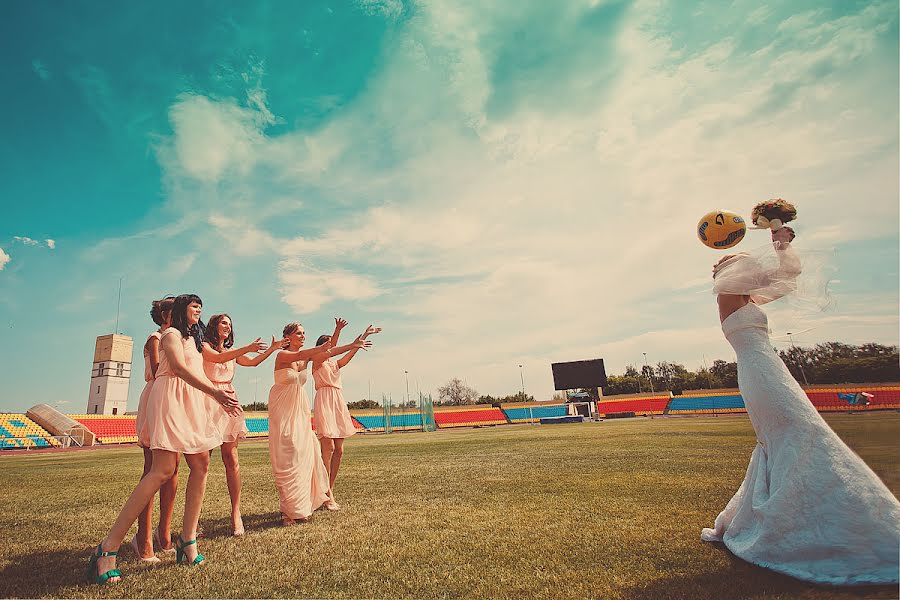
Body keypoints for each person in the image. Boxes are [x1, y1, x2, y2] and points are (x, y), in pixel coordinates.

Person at [703, 226, 900, 585]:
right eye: (742, 265)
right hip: (760, 371)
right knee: (798, 432)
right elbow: (779, 275)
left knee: (795, 434)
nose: (749, 268)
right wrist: (775, 243)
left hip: (768, 368)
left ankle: (785, 515)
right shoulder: (728, 293)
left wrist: (782, 242)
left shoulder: (745, 298)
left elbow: (786, 279)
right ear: (734, 274)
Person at [86, 294, 240, 583]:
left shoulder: (194, 341)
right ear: (182, 310)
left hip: (192, 401)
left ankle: (188, 540)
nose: (199, 310)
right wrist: (215, 393)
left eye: (201, 307)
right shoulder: (169, 334)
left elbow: (198, 371)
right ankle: (107, 549)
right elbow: (179, 369)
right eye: (194, 305)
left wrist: (221, 397)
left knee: (202, 465)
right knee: (162, 471)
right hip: (170, 399)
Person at [268, 319, 369, 524]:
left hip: (300, 411)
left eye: (304, 333)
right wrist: (324, 346)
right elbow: (306, 353)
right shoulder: (283, 355)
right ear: (288, 337)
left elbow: (329, 352)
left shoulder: (306, 359)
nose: (303, 336)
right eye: (299, 334)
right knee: (289, 456)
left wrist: (353, 344)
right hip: (282, 410)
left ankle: (299, 507)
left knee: (306, 455)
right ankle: (286, 510)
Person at [202, 313, 283, 536]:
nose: (227, 327)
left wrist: (272, 348)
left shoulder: (232, 352)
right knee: (202, 462)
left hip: (229, 400)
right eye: (223, 323)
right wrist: (247, 347)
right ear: (214, 326)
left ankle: (236, 513)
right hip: (208, 398)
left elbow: (254, 362)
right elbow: (217, 359)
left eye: (229, 324)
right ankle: (194, 517)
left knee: (232, 458)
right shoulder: (204, 347)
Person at [312, 323, 380, 507]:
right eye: (327, 344)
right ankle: (327, 494)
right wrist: (337, 331)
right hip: (324, 399)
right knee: (329, 448)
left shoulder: (335, 364)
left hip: (338, 400)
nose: (331, 347)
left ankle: (328, 490)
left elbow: (349, 354)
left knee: (339, 450)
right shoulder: (316, 361)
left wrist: (365, 334)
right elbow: (331, 350)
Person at [132, 296, 178, 562]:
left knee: (173, 469)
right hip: (157, 395)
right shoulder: (155, 338)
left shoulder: (180, 338)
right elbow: (159, 368)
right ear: (164, 314)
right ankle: (143, 538)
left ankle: (165, 533)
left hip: (174, 397)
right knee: (153, 468)